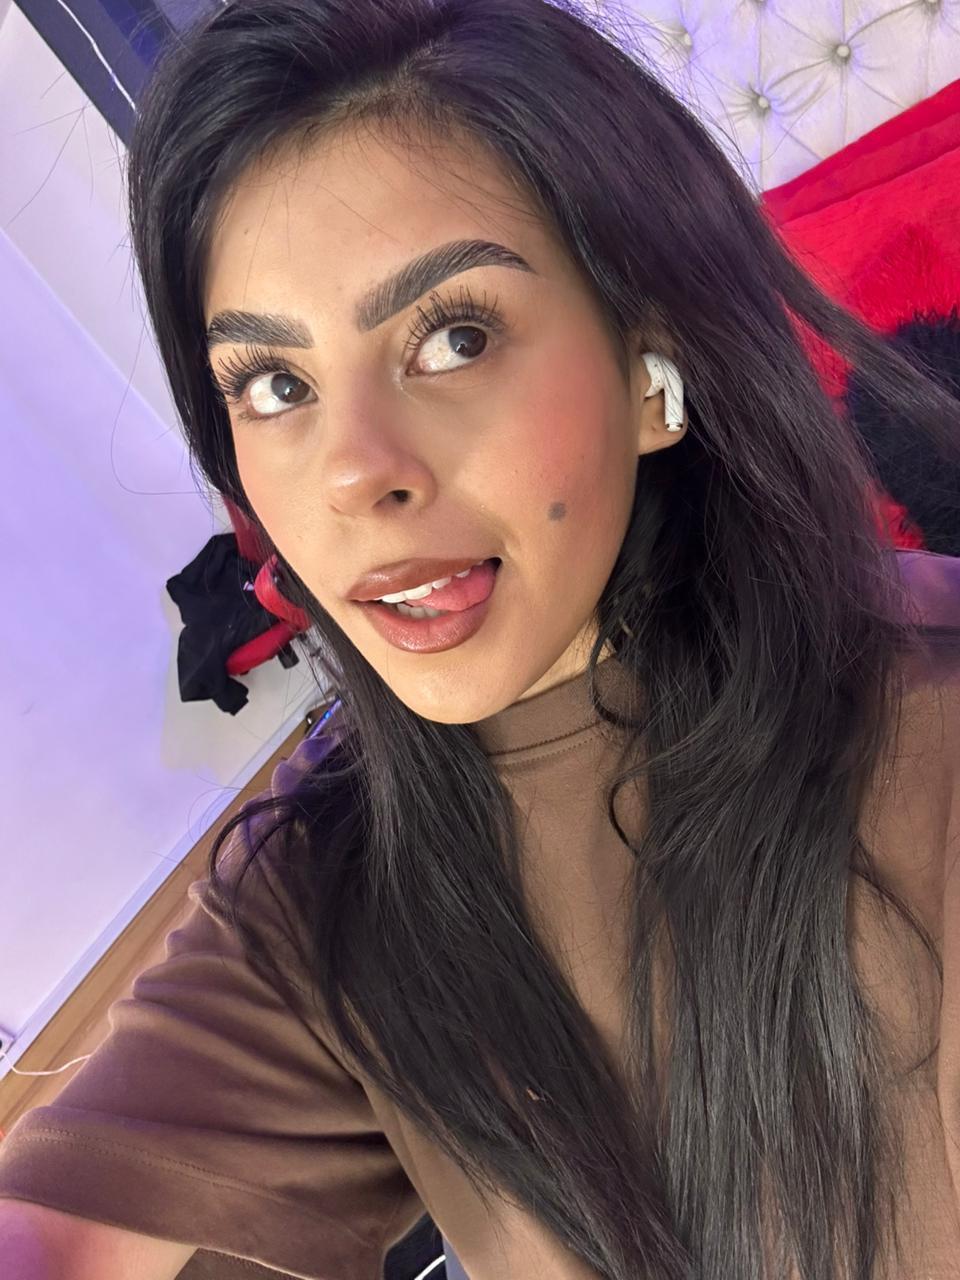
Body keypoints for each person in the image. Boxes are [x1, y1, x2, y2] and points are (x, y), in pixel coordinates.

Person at [2, 1, 960, 1277]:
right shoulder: (326, 881)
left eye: (453, 337)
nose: (353, 474)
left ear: (652, 364)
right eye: (275, 385)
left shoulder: (929, 712)